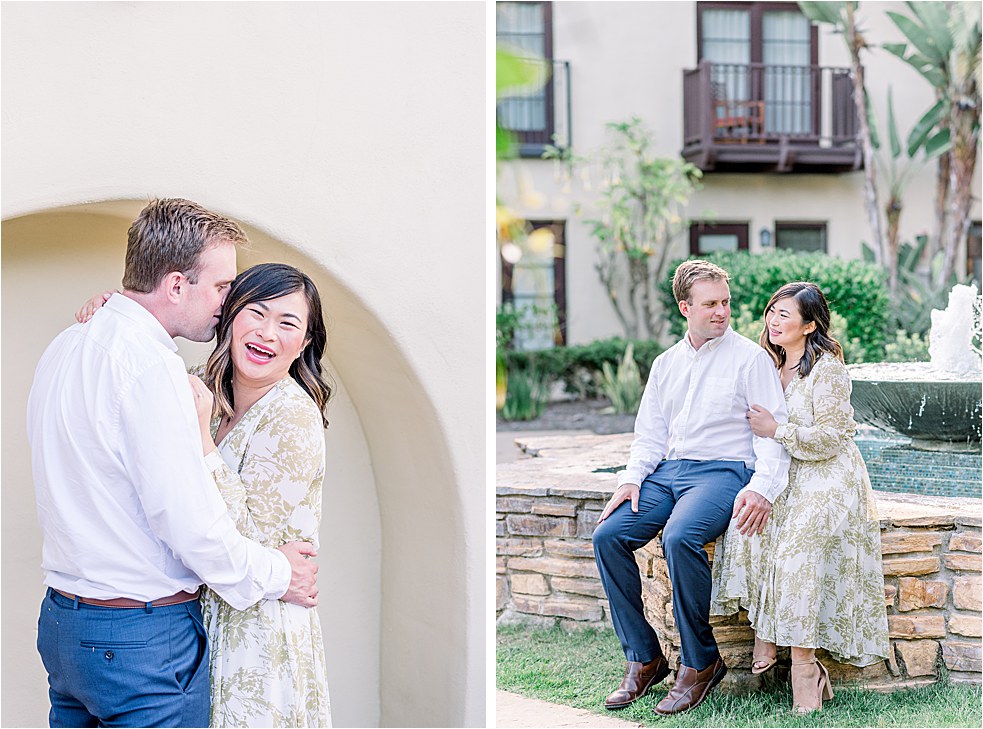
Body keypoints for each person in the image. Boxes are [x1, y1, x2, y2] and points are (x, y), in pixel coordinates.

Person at [28, 198, 319, 728]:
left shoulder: (67, 346)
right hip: (140, 642)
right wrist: (282, 572)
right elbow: (191, 527)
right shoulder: (153, 370)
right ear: (177, 285)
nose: (228, 302)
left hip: (65, 628)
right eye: (223, 287)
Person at [592, 259, 791, 716]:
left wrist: (763, 489)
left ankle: (700, 662)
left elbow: (773, 433)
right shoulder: (665, 364)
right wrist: (630, 480)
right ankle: (644, 658)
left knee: (681, 537)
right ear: (685, 307)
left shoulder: (750, 358)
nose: (721, 312)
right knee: (608, 535)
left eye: (725, 302)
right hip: (668, 473)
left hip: (723, 472)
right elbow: (649, 434)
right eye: (710, 304)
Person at [710, 282, 890, 713]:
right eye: (772, 311)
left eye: (785, 315)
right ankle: (765, 633)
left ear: (809, 325)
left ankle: (805, 669)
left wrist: (778, 430)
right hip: (784, 471)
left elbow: (833, 437)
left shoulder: (827, 370)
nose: (773, 321)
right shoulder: (764, 363)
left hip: (828, 473)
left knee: (798, 549)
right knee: (749, 526)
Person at [193, 263, 333, 727]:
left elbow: (249, 540)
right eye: (257, 312)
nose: (267, 333)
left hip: (258, 633)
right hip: (205, 620)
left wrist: (203, 443)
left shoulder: (293, 417)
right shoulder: (208, 396)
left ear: (304, 343)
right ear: (231, 316)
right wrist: (111, 305)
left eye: (288, 323)